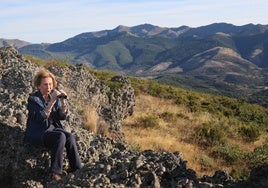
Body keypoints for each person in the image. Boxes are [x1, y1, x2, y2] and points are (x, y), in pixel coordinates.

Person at [24, 69, 83, 181]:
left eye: (50, 84)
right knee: (60, 137)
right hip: (38, 132)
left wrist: (63, 102)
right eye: (45, 84)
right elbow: (41, 117)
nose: (49, 87)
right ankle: (55, 173)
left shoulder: (53, 97)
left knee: (69, 136)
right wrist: (51, 102)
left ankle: (76, 168)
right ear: (38, 85)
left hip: (52, 129)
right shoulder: (33, 99)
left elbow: (62, 117)